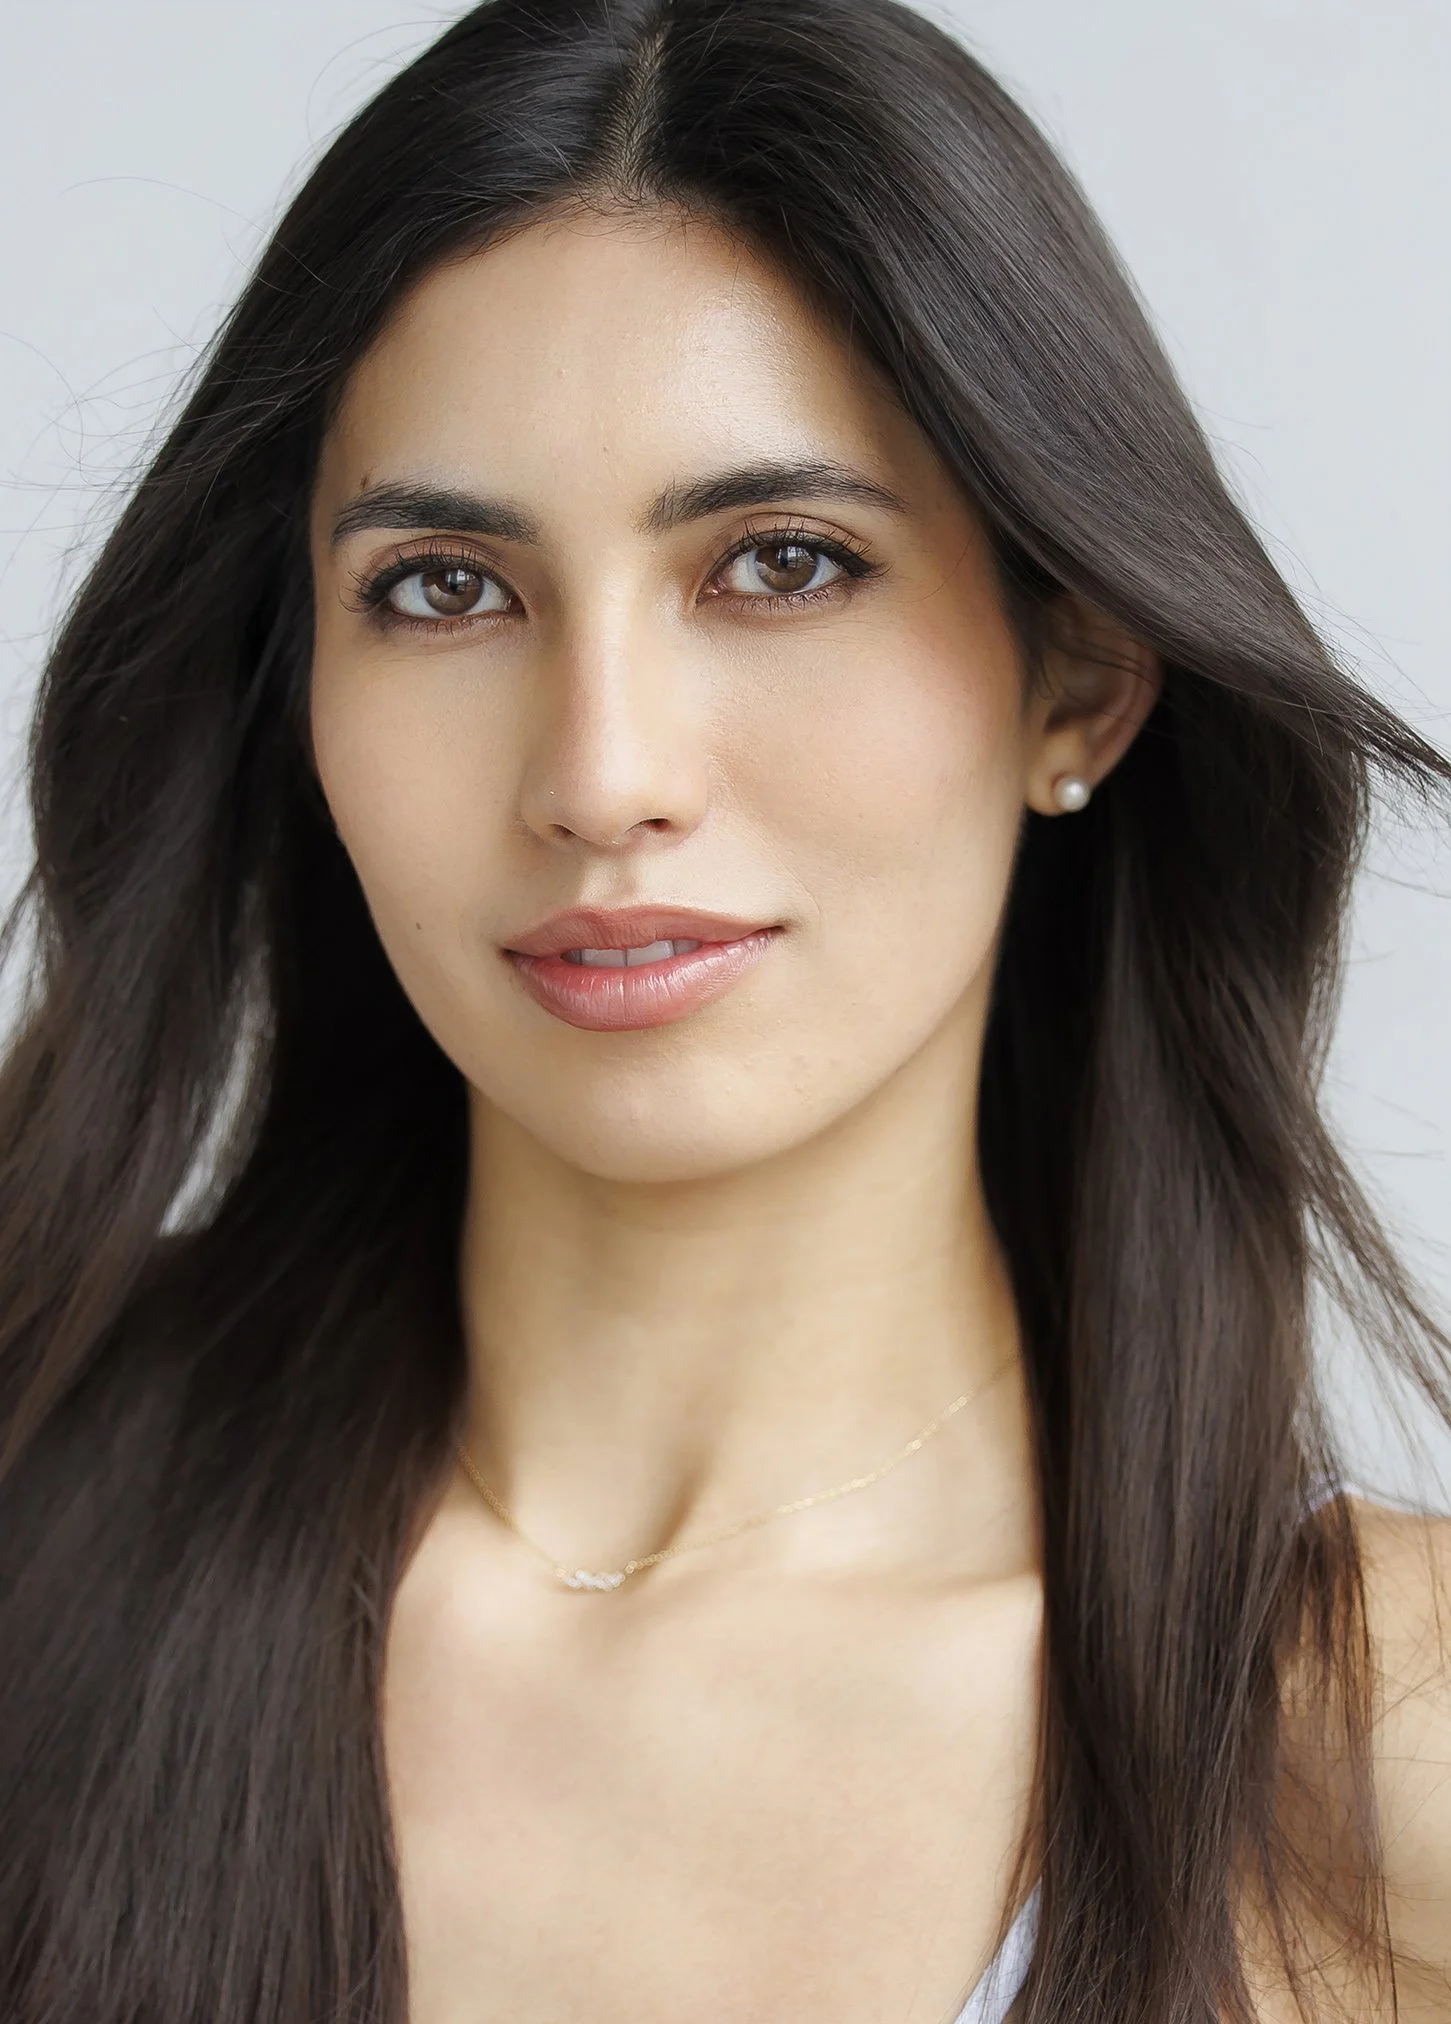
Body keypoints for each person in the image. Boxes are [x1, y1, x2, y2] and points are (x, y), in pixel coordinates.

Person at [1, 0, 1449, 2017]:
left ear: (1078, 677)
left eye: (778, 562)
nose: (601, 772)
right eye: (441, 585)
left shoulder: (1379, 1760)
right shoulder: (38, 1533)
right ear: (296, 693)